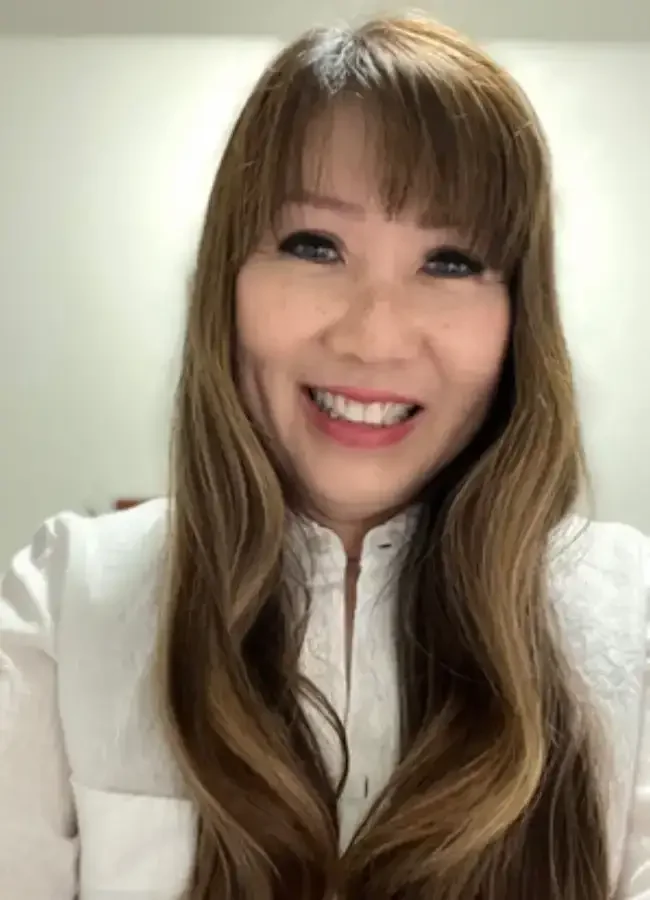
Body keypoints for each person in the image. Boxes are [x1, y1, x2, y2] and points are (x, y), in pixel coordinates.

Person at [0, 13, 649, 900]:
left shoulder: (632, 621)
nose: (374, 336)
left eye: (451, 261)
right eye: (315, 246)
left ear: (520, 320)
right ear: (227, 279)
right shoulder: (66, 602)